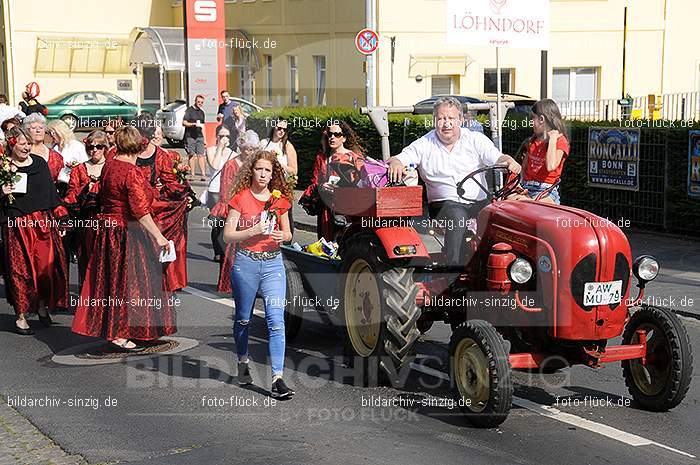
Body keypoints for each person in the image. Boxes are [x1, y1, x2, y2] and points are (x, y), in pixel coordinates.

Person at [71, 126, 175, 351]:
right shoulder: (130, 171)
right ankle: (120, 333)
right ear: (137, 146)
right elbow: (139, 210)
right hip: (126, 232)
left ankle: (128, 330)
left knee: (113, 282)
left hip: (108, 231)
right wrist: (158, 236)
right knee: (129, 283)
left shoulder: (110, 165)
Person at [387, 96, 520, 267]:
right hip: (444, 205)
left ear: (461, 120)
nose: (446, 123)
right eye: (441, 118)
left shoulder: (475, 140)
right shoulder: (424, 144)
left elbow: (498, 157)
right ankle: (453, 269)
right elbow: (398, 159)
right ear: (434, 120)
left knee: (504, 215)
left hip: (479, 203)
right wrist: (397, 163)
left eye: (451, 118)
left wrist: (509, 162)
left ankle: (509, 267)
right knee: (457, 216)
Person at [222, 150, 294, 398]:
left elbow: (289, 234)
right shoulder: (240, 198)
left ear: (274, 175)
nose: (263, 175)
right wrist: (252, 230)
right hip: (246, 263)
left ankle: (277, 378)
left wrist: (281, 236)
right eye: (259, 169)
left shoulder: (279, 200)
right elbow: (228, 235)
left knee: (276, 321)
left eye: (268, 171)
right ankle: (243, 362)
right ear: (251, 171)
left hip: (273, 264)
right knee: (243, 319)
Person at [1, 127, 69, 335]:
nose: (26, 147)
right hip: (16, 225)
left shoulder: (39, 163)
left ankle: (40, 305)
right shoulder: (3, 166)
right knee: (19, 271)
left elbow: (50, 194)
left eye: (28, 143)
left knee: (44, 270)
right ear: (12, 144)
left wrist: (61, 218)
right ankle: (21, 316)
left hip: (42, 225)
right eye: (22, 143)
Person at [134, 115, 192, 292]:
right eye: (142, 133)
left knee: (163, 239)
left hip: (153, 204)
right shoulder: (126, 151)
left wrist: (186, 194)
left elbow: (170, 181)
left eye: (148, 132)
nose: (146, 137)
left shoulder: (160, 155)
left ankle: (162, 279)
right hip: (131, 201)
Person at [300, 120, 364, 241]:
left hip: (347, 209)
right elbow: (314, 182)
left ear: (344, 138)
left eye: (337, 134)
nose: (332, 137)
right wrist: (322, 186)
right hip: (327, 211)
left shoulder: (354, 158)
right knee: (327, 246)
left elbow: (363, 183)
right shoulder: (322, 158)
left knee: (346, 243)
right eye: (330, 134)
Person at [215, 129, 259, 293]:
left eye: (254, 149)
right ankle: (229, 283)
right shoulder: (231, 165)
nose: (251, 152)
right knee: (232, 248)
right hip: (235, 211)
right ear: (242, 147)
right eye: (248, 149)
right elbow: (226, 191)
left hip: (251, 211)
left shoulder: (254, 166)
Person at [63, 130, 108, 284]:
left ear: (105, 148)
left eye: (99, 146)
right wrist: (85, 189)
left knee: (106, 263)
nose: (94, 150)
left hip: (107, 222)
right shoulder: (79, 169)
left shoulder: (111, 167)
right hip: (86, 222)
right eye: (91, 147)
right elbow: (70, 196)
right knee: (87, 261)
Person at [516, 99, 570, 204]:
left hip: (546, 192)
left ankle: (530, 202)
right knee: (505, 201)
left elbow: (551, 166)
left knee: (535, 206)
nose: (531, 122)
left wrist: (553, 139)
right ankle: (528, 201)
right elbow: (524, 168)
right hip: (527, 188)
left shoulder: (560, 141)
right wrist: (520, 185)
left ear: (541, 119)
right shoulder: (533, 140)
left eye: (533, 118)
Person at [260, 118, 298, 236]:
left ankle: (286, 240)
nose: (282, 131)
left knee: (284, 213)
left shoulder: (287, 146)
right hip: (265, 185)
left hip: (282, 186)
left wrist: (279, 164)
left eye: (284, 130)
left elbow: (294, 171)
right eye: (279, 128)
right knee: (266, 213)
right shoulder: (264, 143)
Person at [205, 124, 236, 262]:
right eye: (221, 136)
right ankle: (218, 251)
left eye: (227, 136)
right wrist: (219, 148)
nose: (224, 138)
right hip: (215, 192)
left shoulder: (233, 153)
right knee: (217, 224)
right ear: (217, 137)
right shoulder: (210, 150)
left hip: (229, 192)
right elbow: (215, 165)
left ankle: (225, 251)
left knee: (227, 223)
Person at [22, 113, 64, 183]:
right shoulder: (23, 154)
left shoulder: (56, 156)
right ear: (27, 131)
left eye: (41, 128)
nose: (38, 131)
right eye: (34, 128)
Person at [182, 94, 207, 180]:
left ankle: (203, 175)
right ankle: (192, 174)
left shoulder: (202, 112)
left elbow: (203, 127)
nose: (200, 103)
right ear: (195, 101)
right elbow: (184, 122)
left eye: (201, 102)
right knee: (191, 155)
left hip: (200, 136)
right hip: (190, 136)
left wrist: (205, 140)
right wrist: (193, 124)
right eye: (198, 101)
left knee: (201, 155)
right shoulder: (189, 110)